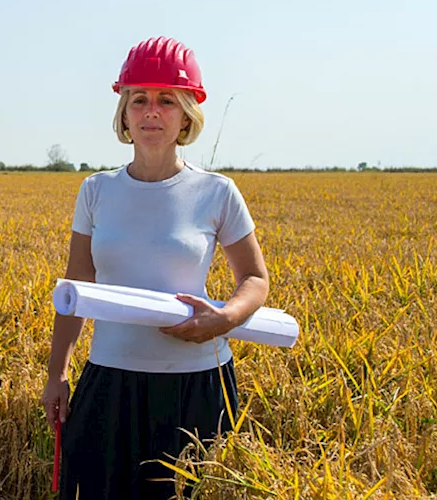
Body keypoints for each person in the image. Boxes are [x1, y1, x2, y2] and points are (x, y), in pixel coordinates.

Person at [40, 36, 271, 499]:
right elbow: (77, 285)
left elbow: (255, 279)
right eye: (139, 99)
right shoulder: (96, 191)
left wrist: (225, 318)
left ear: (187, 114)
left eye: (167, 100)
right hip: (110, 381)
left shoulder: (217, 192)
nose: (152, 111)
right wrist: (57, 372)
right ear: (124, 112)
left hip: (198, 385)